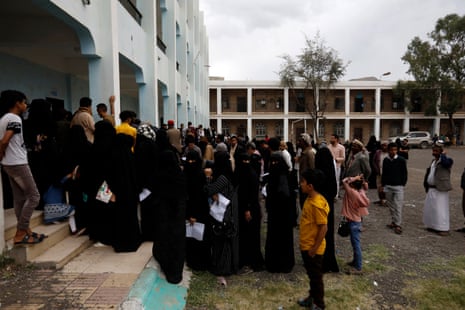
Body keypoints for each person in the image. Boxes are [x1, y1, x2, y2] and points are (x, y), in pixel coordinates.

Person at [0, 90, 45, 244]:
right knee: (34, 196)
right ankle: (20, 232)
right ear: (17, 103)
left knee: (19, 198)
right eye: (24, 102)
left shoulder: (4, 118)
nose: (26, 105)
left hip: (9, 163)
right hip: (17, 163)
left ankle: (26, 231)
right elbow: (5, 140)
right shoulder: (15, 119)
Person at [204, 150, 239, 286]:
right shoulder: (227, 174)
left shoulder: (222, 178)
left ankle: (222, 268)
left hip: (223, 215)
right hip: (226, 213)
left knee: (222, 242)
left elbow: (208, 190)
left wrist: (207, 178)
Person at [297, 168, 329, 310]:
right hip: (306, 245)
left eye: (303, 182)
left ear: (311, 186)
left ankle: (319, 304)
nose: (300, 184)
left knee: (316, 278)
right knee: (312, 276)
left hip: (313, 249)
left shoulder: (317, 203)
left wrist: (314, 249)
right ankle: (311, 298)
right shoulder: (310, 199)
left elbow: (324, 228)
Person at [265, 138, 295, 273]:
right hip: (275, 213)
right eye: (273, 162)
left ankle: (283, 263)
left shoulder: (284, 177)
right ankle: (273, 263)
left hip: (282, 213)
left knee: (282, 238)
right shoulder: (275, 175)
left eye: (277, 162)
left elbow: (286, 195)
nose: (274, 164)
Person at [236, 153, 265, 274]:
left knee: (250, 237)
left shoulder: (251, 175)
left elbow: (251, 194)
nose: (245, 164)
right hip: (248, 209)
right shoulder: (248, 173)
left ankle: (251, 263)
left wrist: (247, 209)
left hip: (250, 210)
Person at [183, 150, 211, 271]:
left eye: (193, 161)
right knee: (192, 237)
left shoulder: (199, 175)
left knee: (200, 237)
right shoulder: (187, 174)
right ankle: (194, 261)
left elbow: (199, 195)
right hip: (192, 210)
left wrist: (193, 214)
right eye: (188, 161)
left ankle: (201, 262)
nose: (190, 163)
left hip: (199, 210)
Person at [315, 146, 339, 273]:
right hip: (329, 206)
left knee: (319, 233)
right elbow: (334, 190)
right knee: (328, 234)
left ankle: (321, 260)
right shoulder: (331, 172)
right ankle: (329, 261)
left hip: (319, 206)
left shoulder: (318, 175)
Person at [341, 174, 369, 275]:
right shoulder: (361, 192)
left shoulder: (351, 192)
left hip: (352, 221)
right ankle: (355, 262)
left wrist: (355, 178)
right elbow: (365, 187)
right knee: (355, 244)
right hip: (357, 220)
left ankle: (358, 267)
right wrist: (361, 181)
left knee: (356, 244)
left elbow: (344, 181)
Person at [423, 142, 453, 236]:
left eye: (436, 151)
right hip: (432, 189)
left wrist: (443, 155)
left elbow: (446, 163)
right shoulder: (433, 161)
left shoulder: (447, 161)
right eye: (433, 150)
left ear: (441, 151)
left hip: (440, 189)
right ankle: (433, 226)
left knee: (441, 209)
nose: (434, 152)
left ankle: (443, 228)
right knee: (432, 209)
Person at [381, 142, 408, 235]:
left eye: (395, 150)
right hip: (388, 186)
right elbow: (384, 173)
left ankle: (398, 224)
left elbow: (404, 173)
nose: (393, 152)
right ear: (388, 150)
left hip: (398, 186)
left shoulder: (401, 160)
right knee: (391, 205)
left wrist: (402, 183)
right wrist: (383, 184)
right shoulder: (386, 160)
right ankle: (394, 221)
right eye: (391, 150)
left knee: (398, 205)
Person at [298, 133, 315, 209]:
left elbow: (312, 169)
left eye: (300, 141)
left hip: (308, 185)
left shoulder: (310, 153)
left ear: (305, 142)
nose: (298, 143)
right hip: (303, 183)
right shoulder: (304, 152)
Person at [328, 134, 345, 198]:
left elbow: (343, 158)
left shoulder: (341, 147)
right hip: (329, 166)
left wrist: (336, 160)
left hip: (337, 167)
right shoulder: (328, 147)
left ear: (336, 139)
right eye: (331, 138)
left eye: (332, 138)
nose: (331, 140)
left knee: (336, 180)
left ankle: (336, 195)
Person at [373, 141, 389, 206]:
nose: (384, 147)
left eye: (385, 145)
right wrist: (376, 169)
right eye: (383, 145)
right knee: (379, 187)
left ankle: (386, 200)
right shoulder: (378, 152)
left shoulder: (389, 153)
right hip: (379, 172)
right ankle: (381, 199)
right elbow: (373, 161)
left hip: (387, 174)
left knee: (386, 187)